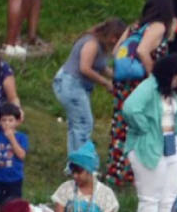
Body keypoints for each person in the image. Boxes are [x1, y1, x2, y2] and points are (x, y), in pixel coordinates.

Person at [104, 0, 177, 188]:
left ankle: (116, 171)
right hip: (140, 83)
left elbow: (116, 52)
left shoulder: (134, 27)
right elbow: (143, 51)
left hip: (123, 83)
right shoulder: (158, 27)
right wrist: (155, 77)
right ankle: (135, 172)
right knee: (142, 124)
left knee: (121, 125)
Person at [123, 54, 177, 212]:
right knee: (150, 197)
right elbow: (130, 109)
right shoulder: (148, 88)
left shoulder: (170, 92)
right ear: (168, 75)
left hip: (170, 146)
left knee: (169, 197)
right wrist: (146, 128)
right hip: (149, 147)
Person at [52, 19, 125, 155]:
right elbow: (85, 68)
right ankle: (82, 164)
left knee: (77, 124)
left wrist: (118, 77)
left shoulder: (101, 46)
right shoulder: (92, 43)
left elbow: (101, 67)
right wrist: (106, 83)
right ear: (113, 37)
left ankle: (75, 162)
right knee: (84, 123)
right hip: (71, 84)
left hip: (77, 86)